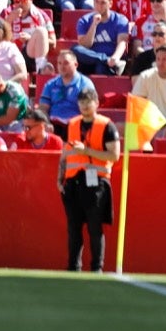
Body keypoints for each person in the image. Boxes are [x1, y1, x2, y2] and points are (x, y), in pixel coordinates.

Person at [57, 87, 120, 273]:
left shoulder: (107, 125)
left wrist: (86, 151)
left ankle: (96, 268)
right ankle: (73, 267)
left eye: (88, 102)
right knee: (73, 228)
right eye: (82, 102)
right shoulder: (72, 124)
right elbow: (65, 154)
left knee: (94, 227)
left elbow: (114, 155)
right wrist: (59, 178)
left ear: (97, 104)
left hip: (96, 182)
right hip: (73, 181)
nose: (85, 106)